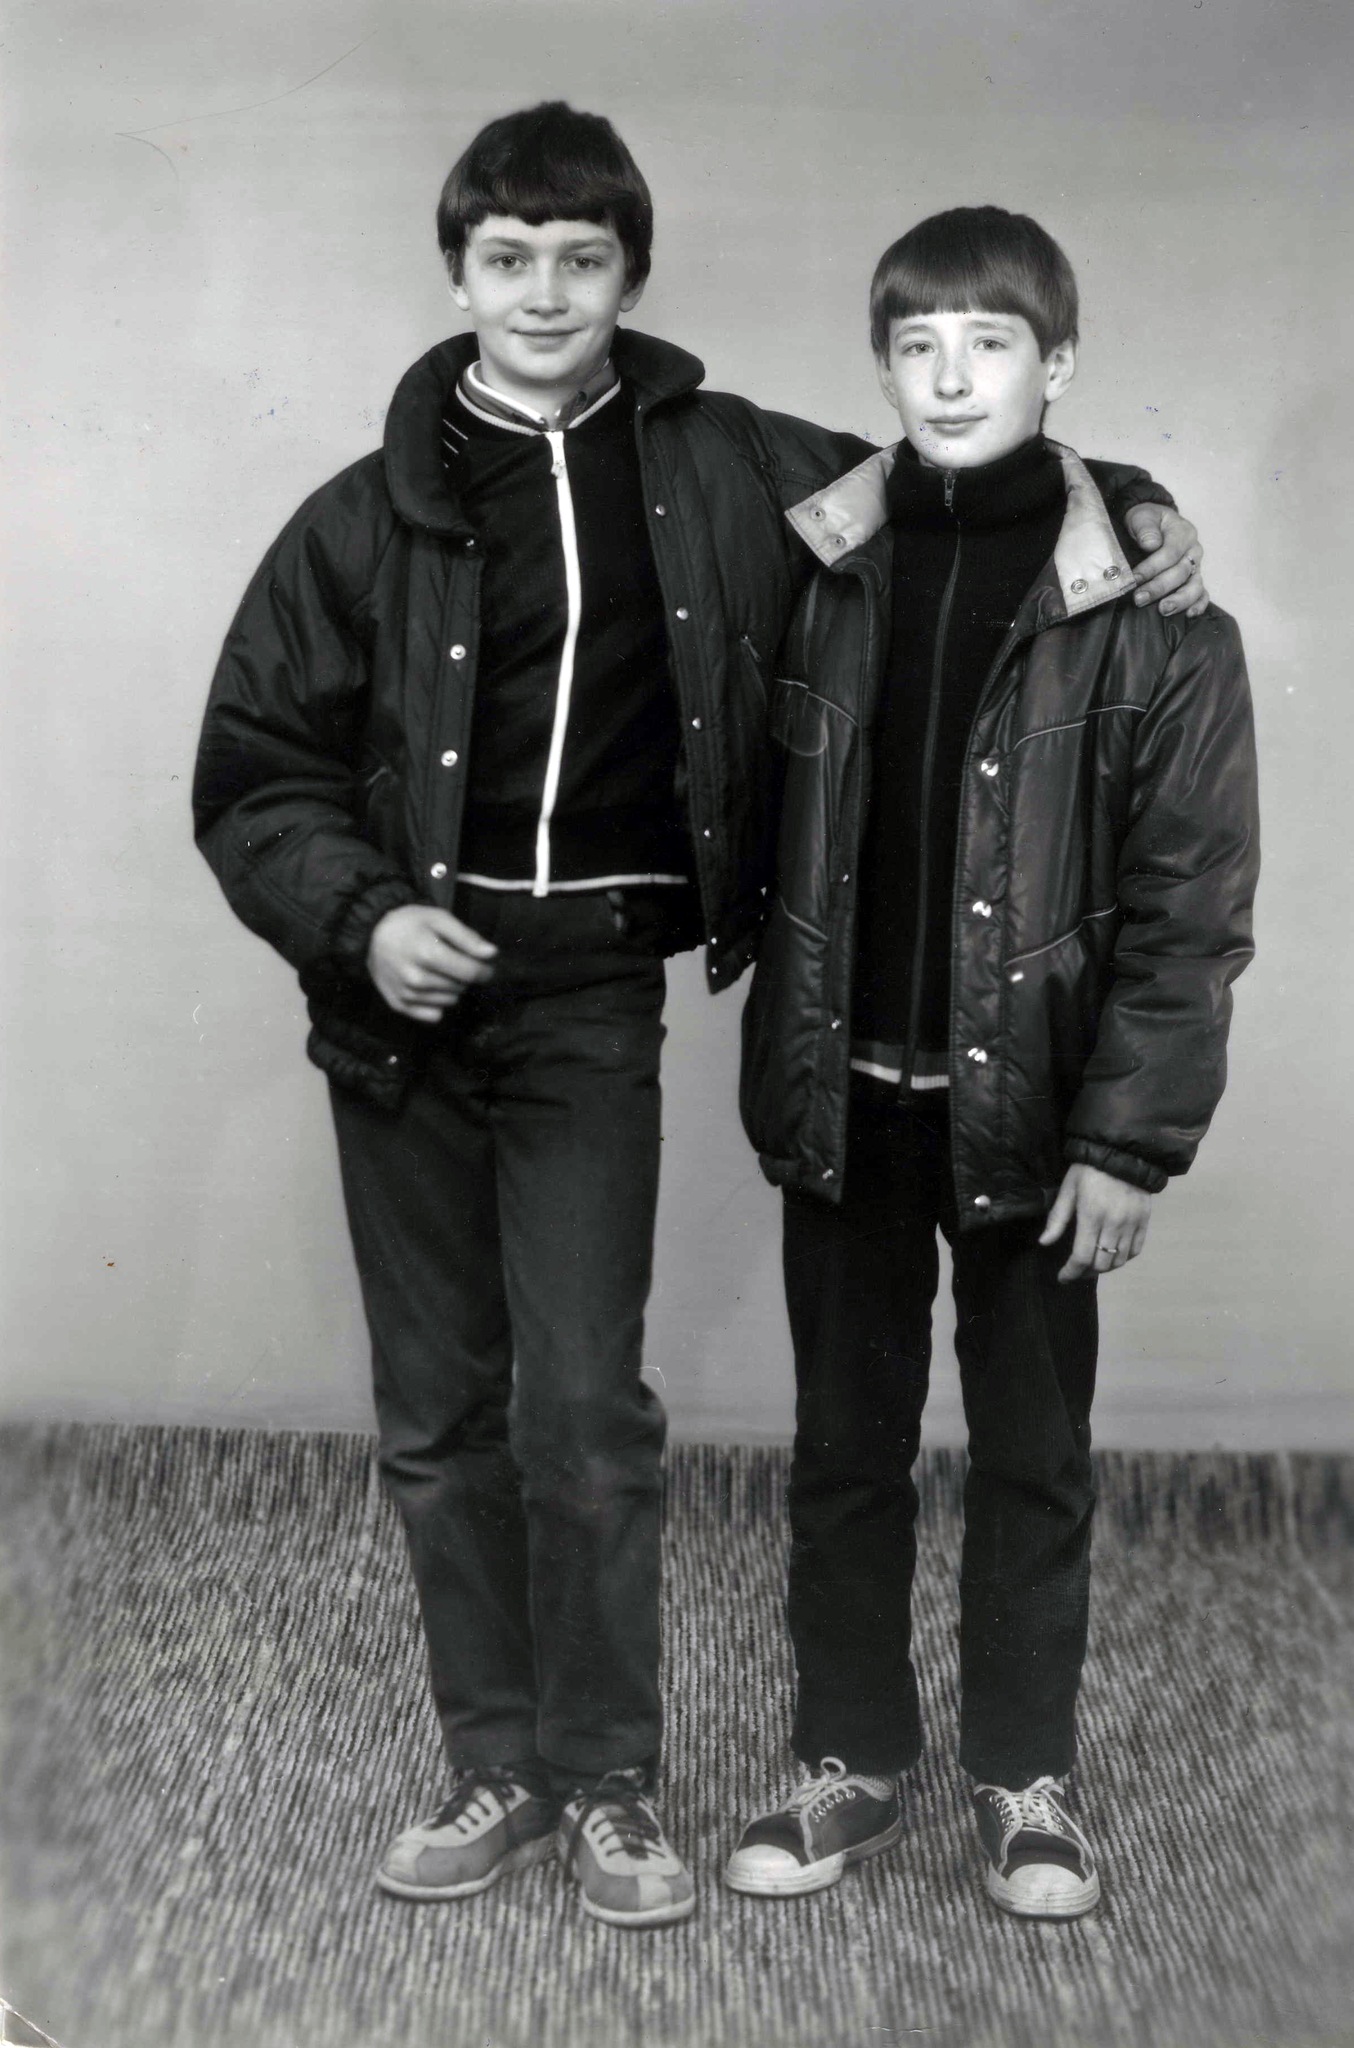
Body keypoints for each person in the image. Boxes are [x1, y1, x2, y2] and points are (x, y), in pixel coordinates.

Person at [192, 109, 1206, 1930]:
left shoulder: (718, 463)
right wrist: (361, 916)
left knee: (585, 1411)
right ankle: (497, 1767)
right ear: (457, 276)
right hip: (402, 1011)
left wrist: (1135, 503)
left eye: (583, 260)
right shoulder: (363, 512)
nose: (544, 293)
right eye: (508, 259)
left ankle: (608, 1786)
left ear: (631, 277)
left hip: (592, 997)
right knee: (439, 1418)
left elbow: (960, 462)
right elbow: (256, 769)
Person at [728, 205, 1259, 1919]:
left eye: (990, 344)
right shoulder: (819, 567)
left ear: (1059, 365)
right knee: (842, 1450)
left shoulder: (1158, 624)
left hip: (1031, 1121)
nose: (950, 378)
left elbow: (1189, 911)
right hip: (844, 1097)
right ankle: (847, 1759)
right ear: (880, 367)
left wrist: (1129, 1141)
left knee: (1032, 1459)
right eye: (916, 347)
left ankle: (1027, 1781)